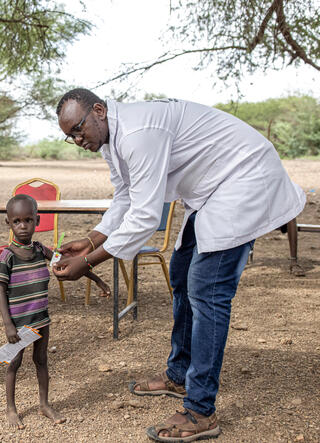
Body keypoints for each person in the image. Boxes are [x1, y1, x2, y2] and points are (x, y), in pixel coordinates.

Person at [52, 89, 306, 442]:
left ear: (99, 110)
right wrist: (92, 239)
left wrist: (88, 261)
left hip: (244, 177)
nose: (78, 140)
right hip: (212, 189)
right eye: (71, 137)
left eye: (79, 130)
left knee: (207, 290)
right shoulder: (112, 138)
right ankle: (180, 374)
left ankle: (201, 410)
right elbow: (126, 196)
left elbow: (144, 216)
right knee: (182, 276)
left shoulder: (138, 133)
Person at [0, 194, 67, 429]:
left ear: (37, 220)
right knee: (14, 363)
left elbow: (66, 263)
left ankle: (44, 404)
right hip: (19, 324)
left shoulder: (40, 250)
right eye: (17, 221)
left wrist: (96, 279)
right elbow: (0, 290)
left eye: (28, 220)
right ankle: (11, 408)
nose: (23, 226)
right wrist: (8, 325)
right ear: (8, 223)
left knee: (41, 360)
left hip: (41, 319)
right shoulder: (8, 257)